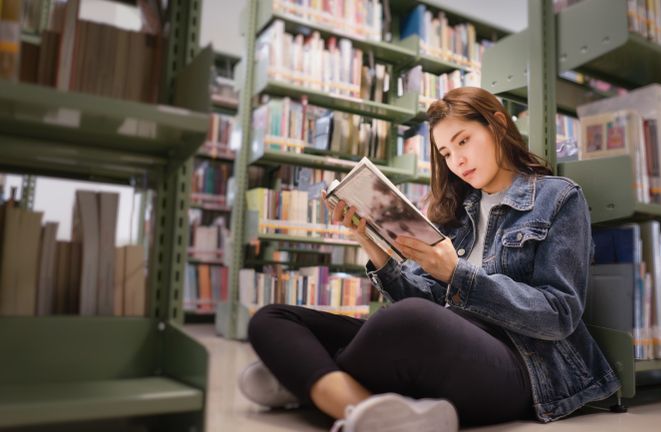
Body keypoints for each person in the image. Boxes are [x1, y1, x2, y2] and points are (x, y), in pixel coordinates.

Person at [239, 86, 621, 431]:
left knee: (406, 321)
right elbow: (424, 304)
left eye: (464, 141)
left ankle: (307, 379)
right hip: (445, 349)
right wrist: (373, 245)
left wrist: (457, 273)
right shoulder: (455, 213)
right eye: (445, 152)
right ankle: (359, 408)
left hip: (523, 366)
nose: (457, 160)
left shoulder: (558, 198)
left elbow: (559, 314)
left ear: (498, 125)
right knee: (272, 318)